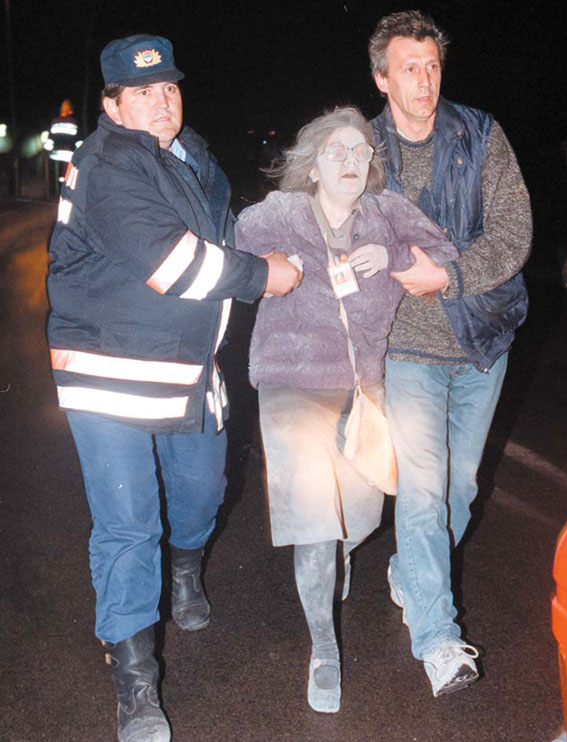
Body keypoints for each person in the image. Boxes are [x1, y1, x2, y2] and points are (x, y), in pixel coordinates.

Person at [46, 34, 300, 742]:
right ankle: (136, 685)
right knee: (129, 526)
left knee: (202, 495)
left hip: (188, 370)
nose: (162, 101)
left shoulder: (190, 156)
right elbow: (176, 264)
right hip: (110, 376)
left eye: (169, 87)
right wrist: (265, 276)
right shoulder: (109, 164)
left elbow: (227, 232)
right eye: (142, 91)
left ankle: (185, 568)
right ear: (112, 105)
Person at [235, 106, 457, 713]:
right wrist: (276, 267)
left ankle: (338, 557)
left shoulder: (388, 213)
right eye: (337, 151)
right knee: (315, 518)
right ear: (313, 166)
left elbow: (444, 255)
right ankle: (324, 649)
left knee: (359, 517)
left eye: (361, 151)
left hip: (362, 388)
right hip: (290, 379)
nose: (351, 161)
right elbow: (234, 243)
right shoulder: (283, 212)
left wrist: (395, 258)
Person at [368, 10, 532, 697]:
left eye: (432, 66)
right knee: (423, 489)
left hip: (481, 340)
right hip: (406, 349)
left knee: (459, 491)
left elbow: (514, 231)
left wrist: (450, 276)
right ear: (382, 78)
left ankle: (409, 574)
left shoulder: (481, 134)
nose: (425, 80)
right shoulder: (361, 150)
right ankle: (437, 639)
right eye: (409, 68)